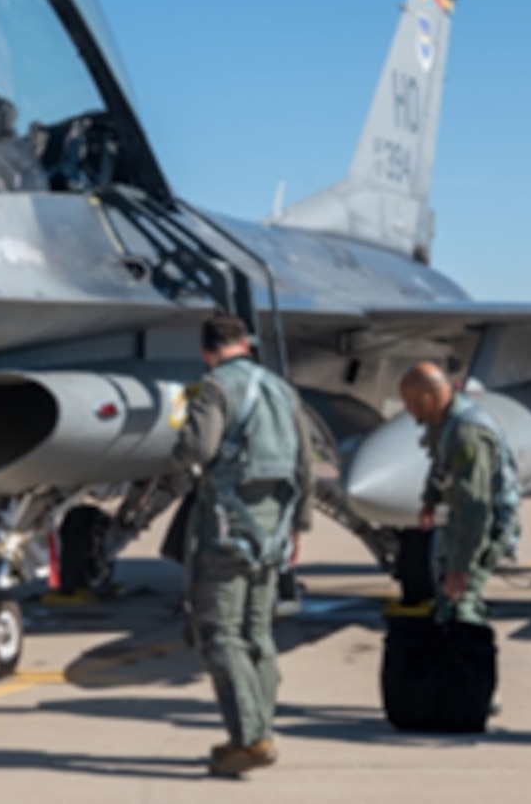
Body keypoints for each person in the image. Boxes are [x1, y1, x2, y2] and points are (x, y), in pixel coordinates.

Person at [172, 313, 313, 779]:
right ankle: (261, 730)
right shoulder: (281, 389)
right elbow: (305, 462)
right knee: (258, 632)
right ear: (245, 345)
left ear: (207, 350)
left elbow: (199, 450)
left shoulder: (213, 388)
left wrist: (178, 436)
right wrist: (298, 526)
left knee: (220, 633)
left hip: (227, 527)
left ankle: (250, 739)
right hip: (274, 528)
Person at [399, 363, 505, 627]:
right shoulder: (441, 422)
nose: (409, 412)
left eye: (410, 403)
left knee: (461, 606)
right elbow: (440, 466)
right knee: (447, 602)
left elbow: (475, 506)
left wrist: (461, 568)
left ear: (426, 399)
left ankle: (473, 660)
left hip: (485, 522)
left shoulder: (466, 434)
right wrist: (430, 500)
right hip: (462, 515)